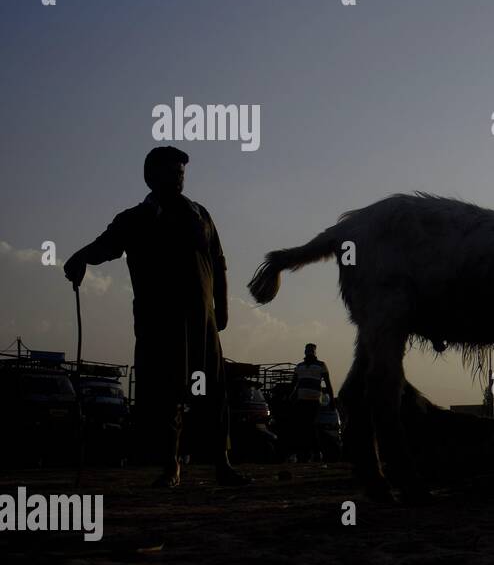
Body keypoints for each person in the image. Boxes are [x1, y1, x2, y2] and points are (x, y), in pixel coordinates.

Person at [63, 147, 251, 487]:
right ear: (151, 175)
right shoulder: (135, 219)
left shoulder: (200, 215)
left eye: (182, 171)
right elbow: (105, 245)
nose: (179, 176)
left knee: (212, 391)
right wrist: (80, 258)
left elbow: (219, 263)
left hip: (201, 322)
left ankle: (221, 462)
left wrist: (221, 308)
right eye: (172, 170)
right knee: (165, 394)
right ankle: (171, 465)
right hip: (158, 322)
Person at [291, 343, 333, 461]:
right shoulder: (299, 366)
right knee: (303, 426)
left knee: (309, 425)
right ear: (304, 352)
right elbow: (294, 384)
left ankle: (315, 452)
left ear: (315, 352)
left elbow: (328, 384)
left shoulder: (321, 365)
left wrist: (332, 401)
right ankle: (307, 453)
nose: (309, 352)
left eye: (311, 350)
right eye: (307, 350)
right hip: (301, 400)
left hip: (314, 401)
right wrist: (289, 397)